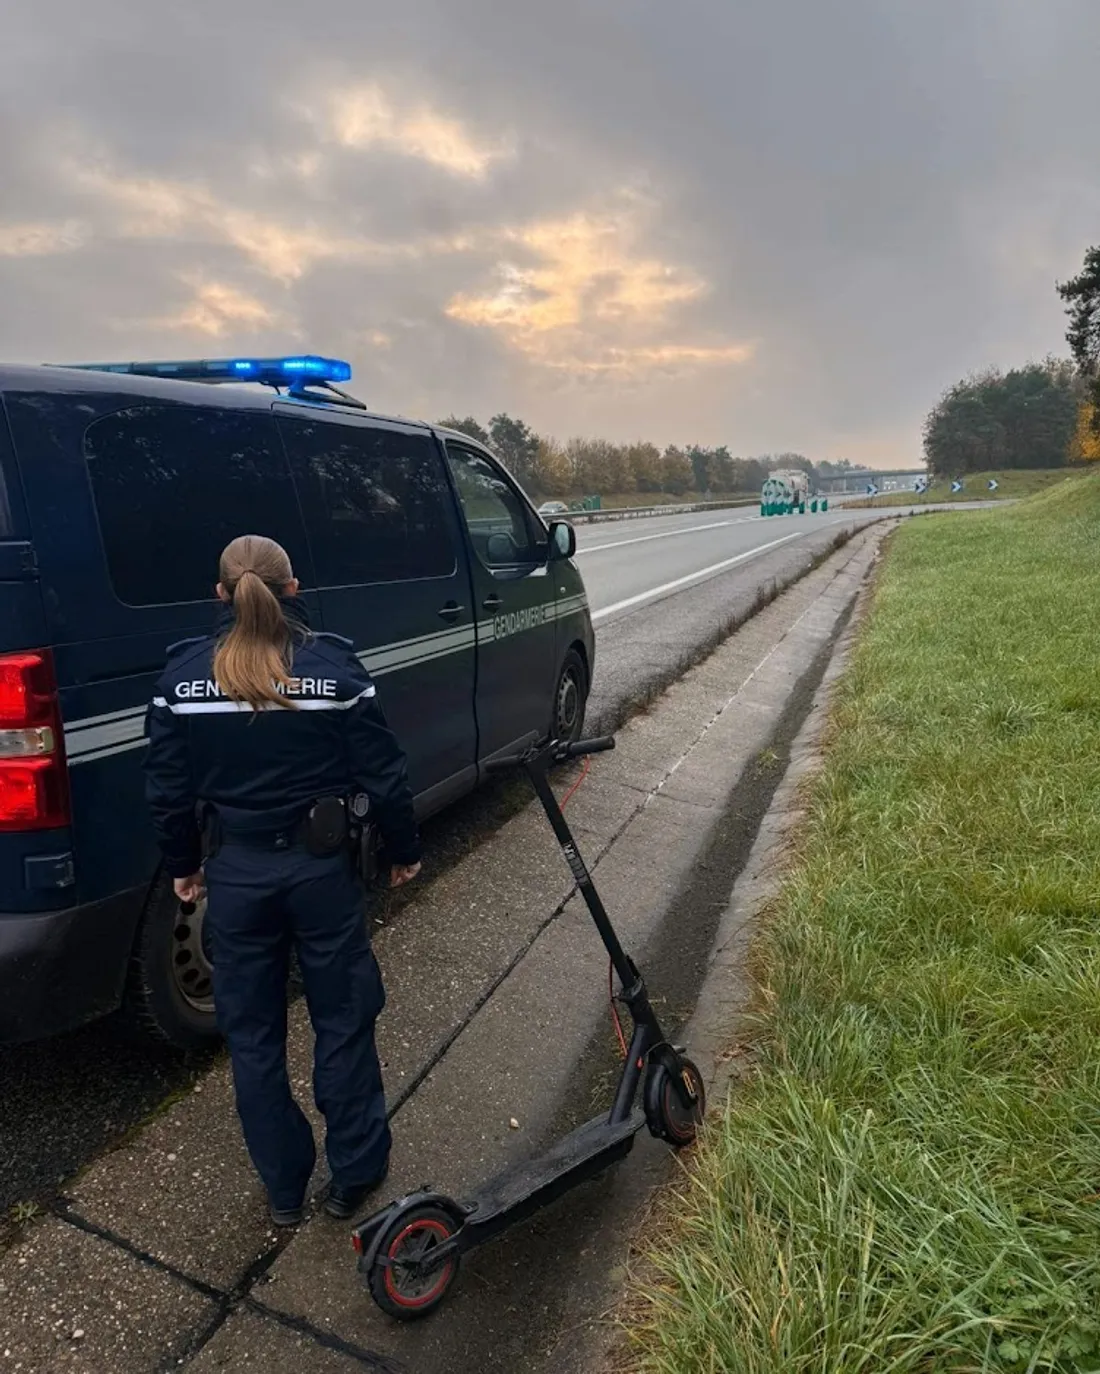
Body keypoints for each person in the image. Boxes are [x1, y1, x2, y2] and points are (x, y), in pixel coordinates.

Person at [144, 534, 421, 1226]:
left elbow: (167, 794)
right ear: (291, 589)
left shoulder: (179, 681)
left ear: (220, 596)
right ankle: (353, 1176)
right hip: (321, 874)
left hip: (236, 880)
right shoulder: (335, 669)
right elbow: (383, 771)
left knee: (253, 1036)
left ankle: (285, 1190)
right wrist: (403, 849)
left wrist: (184, 867)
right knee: (344, 1017)